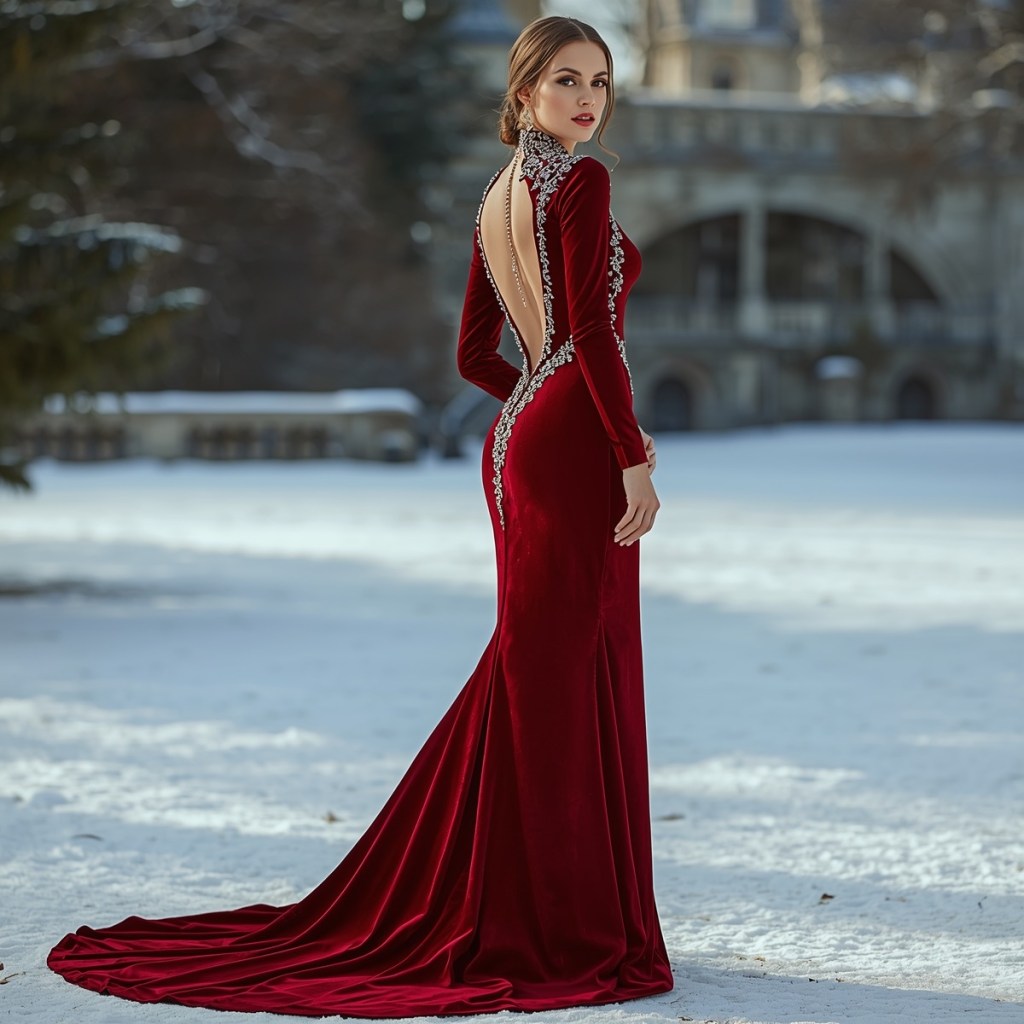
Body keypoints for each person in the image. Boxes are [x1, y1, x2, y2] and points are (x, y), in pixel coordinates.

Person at [47, 15, 673, 1018]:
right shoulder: (582, 184)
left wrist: (533, 393)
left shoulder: (496, 198)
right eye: (565, 80)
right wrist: (628, 448)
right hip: (569, 442)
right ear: (522, 94)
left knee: (536, 664)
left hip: (515, 438)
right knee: (559, 670)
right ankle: (560, 919)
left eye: (600, 80)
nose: (588, 99)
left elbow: (476, 352)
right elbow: (594, 328)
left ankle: (517, 891)